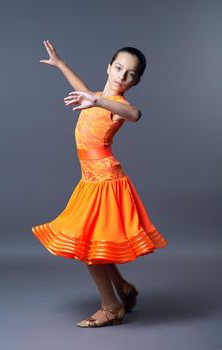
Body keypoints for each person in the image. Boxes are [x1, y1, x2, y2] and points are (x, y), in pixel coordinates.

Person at [32, 40, 168, 328]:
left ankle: (111, 307)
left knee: (90, 245)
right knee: (98, 242)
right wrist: (61, 65)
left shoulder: (117, 105)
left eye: (130, 74)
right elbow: (85, 89)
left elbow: (136, 115)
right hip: (91, 179)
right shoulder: (92, 95)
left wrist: (98, 101)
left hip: (106, 181)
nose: (122, 76)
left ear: (135, 82)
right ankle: (124, 288)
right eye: (118, 68)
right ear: (108, 68)